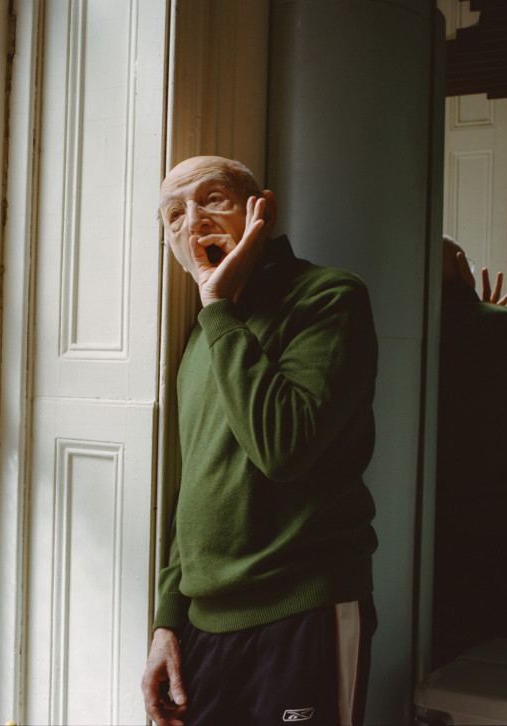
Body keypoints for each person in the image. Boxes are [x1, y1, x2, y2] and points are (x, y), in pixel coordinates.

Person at [140, 156, 379, 726]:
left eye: (211, 199)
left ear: (260, 211)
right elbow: (195, 485)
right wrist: (167, 620)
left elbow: (283, 448)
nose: (193, 220)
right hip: (203, 624)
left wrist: (217, 310)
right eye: (174, 215)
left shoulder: (329, 296)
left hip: (303, 610)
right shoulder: (206, 333)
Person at [432, 236, 507, 667]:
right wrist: (496, 321)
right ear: (463, 266)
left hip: (436, 529)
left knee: (448, 661)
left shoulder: (413, 329)